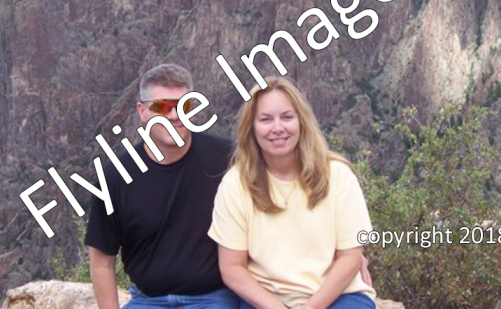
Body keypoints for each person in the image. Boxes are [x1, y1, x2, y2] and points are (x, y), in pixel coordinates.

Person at [85, 65, 372, 309]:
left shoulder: (230, 161)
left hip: (212, 297)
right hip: (149, 299)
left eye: (184, 106)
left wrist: (350, 255)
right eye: (162, 106)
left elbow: (284, 168)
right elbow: (101, 262)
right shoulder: (113, 176)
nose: (174, 116)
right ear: (142, 111)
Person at [208, 77, 376, 309]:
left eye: (287, 117)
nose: (278, 128)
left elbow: (350, 256)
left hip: (338, 297)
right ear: (252, 127)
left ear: (301, 122)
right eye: (266, 119)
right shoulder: (236, 184)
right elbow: (232, 268)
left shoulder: (338, 175)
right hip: (265, 300)